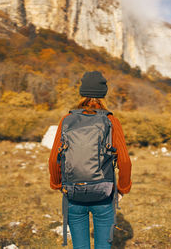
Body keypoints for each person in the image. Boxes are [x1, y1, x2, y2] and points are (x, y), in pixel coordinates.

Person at [48, 71, 132, 249]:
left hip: (73, 193)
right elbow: (124, 161)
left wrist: (57, 185)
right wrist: (122, 189)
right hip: (104, 193)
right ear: (103, 94)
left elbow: (54, 159)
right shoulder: (111, 121)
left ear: (82, 93)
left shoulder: (67, 119)